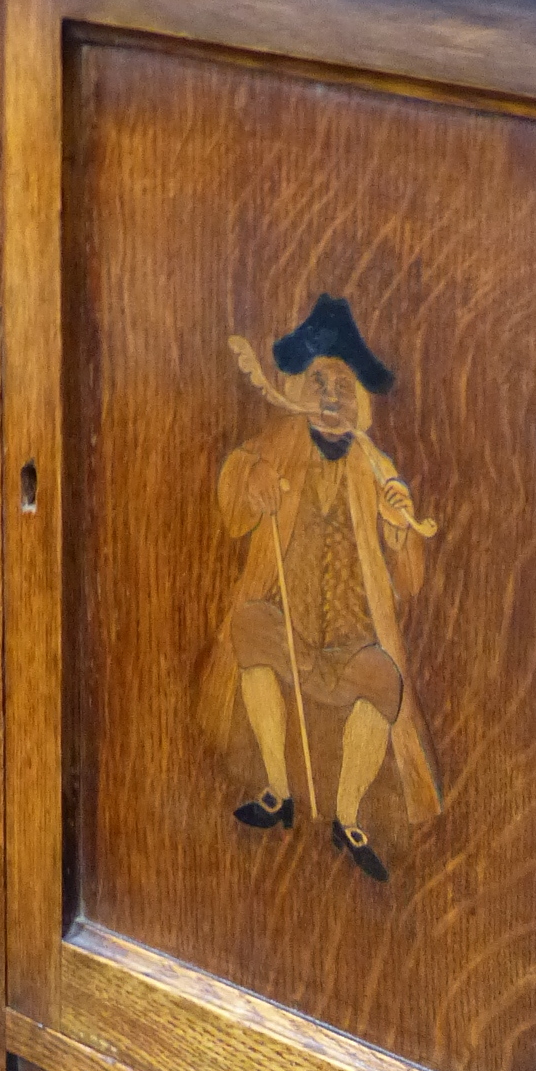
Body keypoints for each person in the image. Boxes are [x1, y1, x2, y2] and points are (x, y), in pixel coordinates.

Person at [204, 294, 441, 881]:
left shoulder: (375, 468)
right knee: (248, 630)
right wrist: (250, 478)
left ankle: (346, 816)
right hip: (289, 632)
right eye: (319, 380)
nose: (331, 394)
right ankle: (278, 795)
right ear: (300, 389)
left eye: (341, 382)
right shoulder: (280, 445)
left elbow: (410, 581)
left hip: (347, 645)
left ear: (359, 398)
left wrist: (395, 531)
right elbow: (235, 485)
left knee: (384, 681)